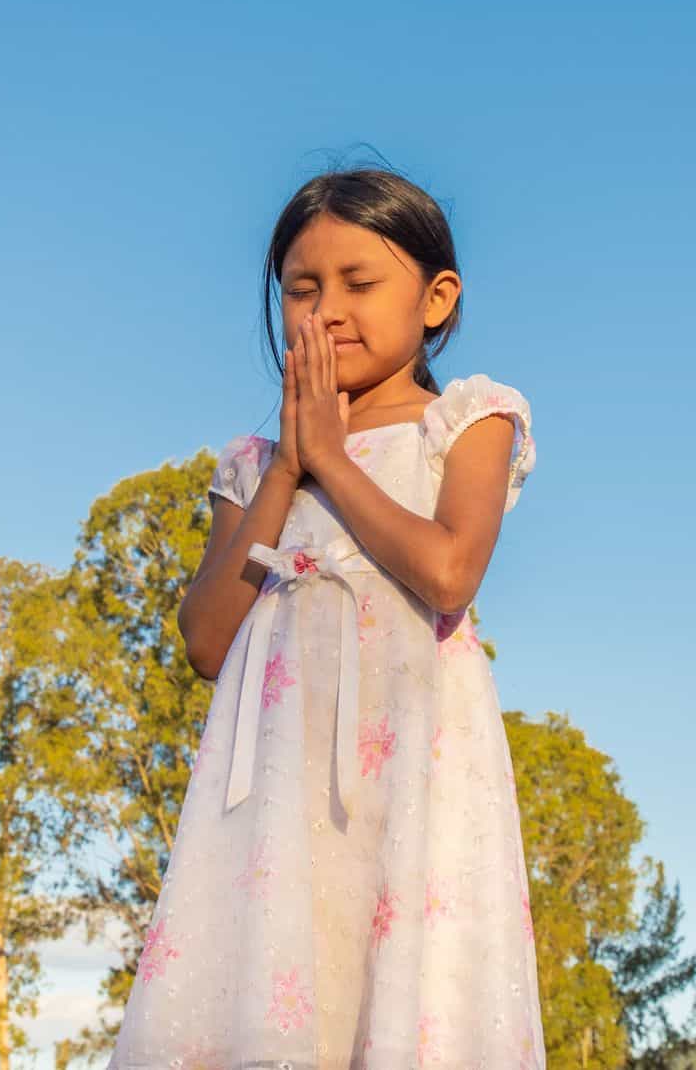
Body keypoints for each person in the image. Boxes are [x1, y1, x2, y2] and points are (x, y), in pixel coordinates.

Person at [106, 166, 546, 1069]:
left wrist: (333, 462)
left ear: (436, 297)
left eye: (359, 282)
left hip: (411, 772)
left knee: (401, 996)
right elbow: (206, 640)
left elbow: (449, 571)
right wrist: (287, 467)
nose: (327, 310)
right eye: (303, 289)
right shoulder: (254, 464)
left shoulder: (465, 422)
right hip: (275, 787)